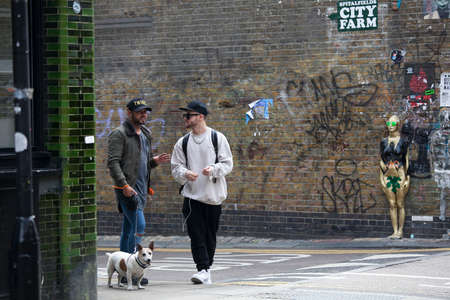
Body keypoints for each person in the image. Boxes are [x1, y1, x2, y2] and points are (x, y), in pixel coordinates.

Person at [107, 97, 170, 284]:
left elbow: (143, 163)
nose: (143, 115)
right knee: (139, 226)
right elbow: (113, 163)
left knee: (128, 230)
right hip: (127, 190)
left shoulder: (145, 133)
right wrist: (124, 185)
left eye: (145, 112)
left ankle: (123, 273)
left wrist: (155, 162)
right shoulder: (119, 134)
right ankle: (132, 271)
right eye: (139, 112)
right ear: (129, 112)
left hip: (141, 190)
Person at [171, 101, 233, 284]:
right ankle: (202, 268)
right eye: (185, 116)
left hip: (213, 196)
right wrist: (184, 173)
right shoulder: (182, 143)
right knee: (196, 234)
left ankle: (207, 268)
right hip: (191, 196)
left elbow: (228, 163)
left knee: (209, 235)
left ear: (200, 117)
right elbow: (175, 167)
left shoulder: (217, 138)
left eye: (188, 115)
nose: (185, 119)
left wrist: (213, 169)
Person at [379, 115, 410, 239]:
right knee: (392, 203)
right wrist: (381, 177)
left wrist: (408, 178)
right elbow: (381, 159)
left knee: (400, 203)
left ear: (397, 124)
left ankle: (400, 231)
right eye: (388, 124)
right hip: (388, 174)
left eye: (393, 124)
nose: (390, 126)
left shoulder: (403, 141)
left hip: (400, 173)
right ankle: (394, 230)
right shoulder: (383, 142)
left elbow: (407, 159)